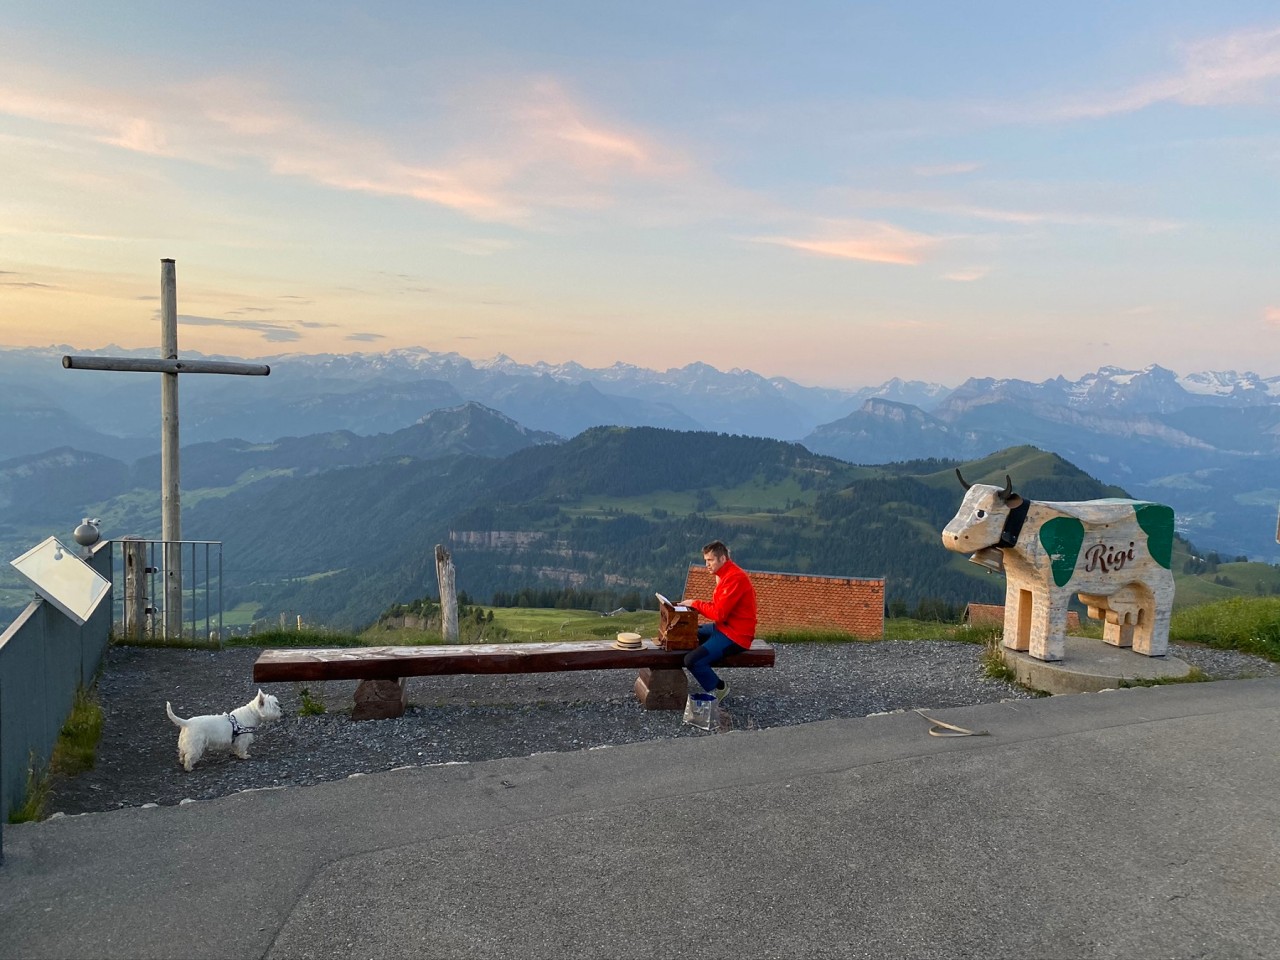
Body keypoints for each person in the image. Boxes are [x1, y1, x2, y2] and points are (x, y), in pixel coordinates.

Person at [679, 540, 757, 702]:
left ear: (722, 559)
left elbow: (719, 613)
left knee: (692, 660)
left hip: (736, 635)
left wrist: (694, 603)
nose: (707, 564)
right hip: (723, 628)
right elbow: (719, 609)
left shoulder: (734, 578)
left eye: (710, 560)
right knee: (687, 635)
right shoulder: (724, 575)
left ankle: (719, 688)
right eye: (705, 560)